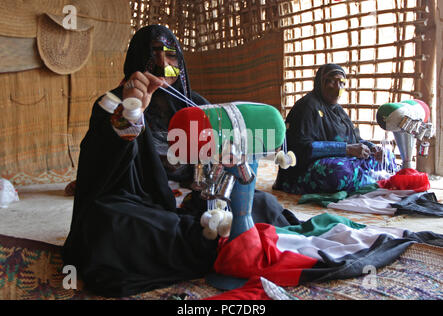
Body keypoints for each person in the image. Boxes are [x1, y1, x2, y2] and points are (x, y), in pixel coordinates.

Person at [62, 25, 292, 298]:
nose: (162, 62)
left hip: (197, 203)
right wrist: (132, 113)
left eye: (171, 55)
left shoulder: (196, 105)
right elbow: (98, 165)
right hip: (142, 204)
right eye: (153, 53)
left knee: (261, 203)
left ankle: (212, 244)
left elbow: (221, 160)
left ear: (179, 62)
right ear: (136, 58)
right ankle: (228, 246)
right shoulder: (113, 103)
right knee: (108, 226)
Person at [273, 63, 397, 195]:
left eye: (342, 83)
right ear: (320, 82)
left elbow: (355, 139)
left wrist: (372, 148)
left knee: (386, 157)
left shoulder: (338, 110)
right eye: (332, 82)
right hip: (305, 169)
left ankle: (368, 178)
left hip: (345, 159)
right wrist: (347, 149)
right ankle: (372, 178)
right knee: (339, 171)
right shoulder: (307, 107)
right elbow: (302, 148)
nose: (338, 88)